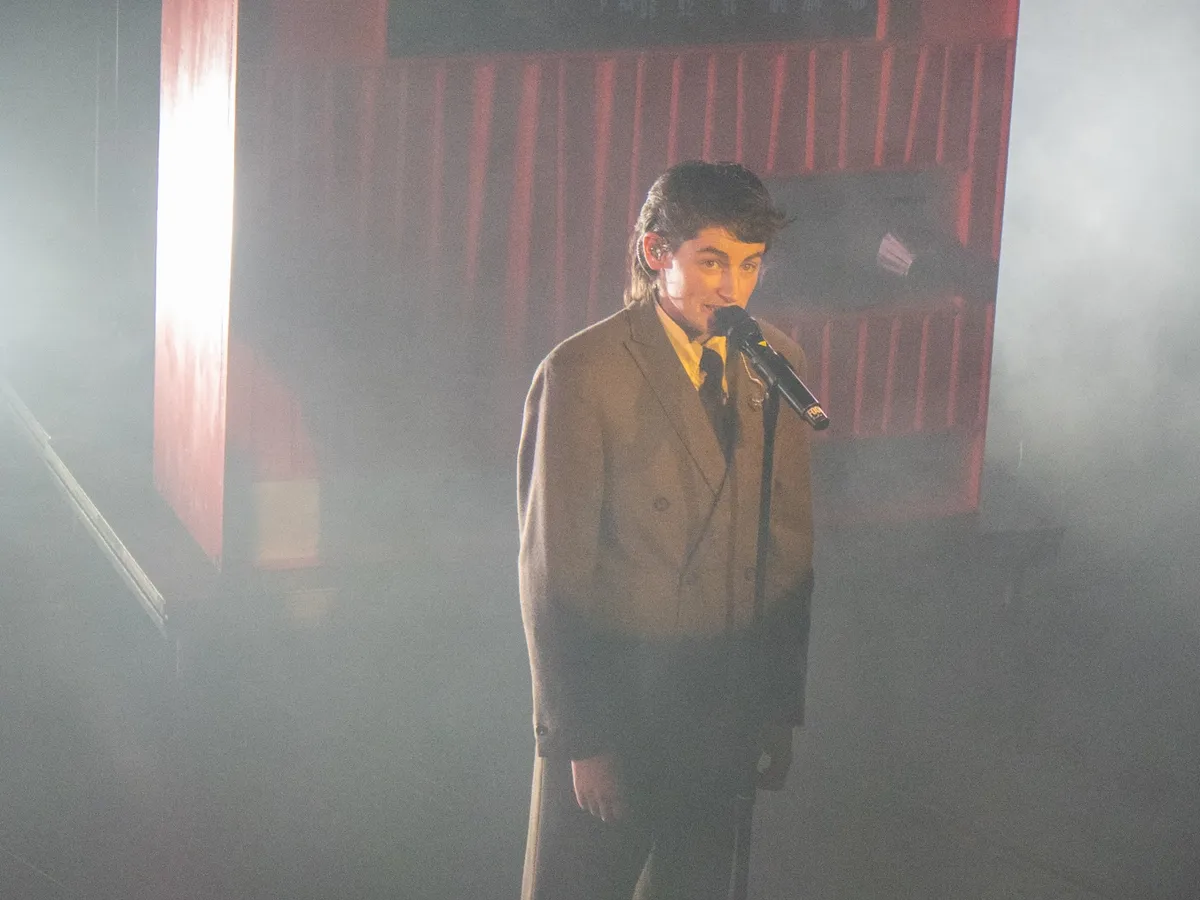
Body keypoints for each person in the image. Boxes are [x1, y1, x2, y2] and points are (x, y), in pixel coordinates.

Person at [518, 161, 815, 900]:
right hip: (621, 713)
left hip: (722, 713)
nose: (732, 286)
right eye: (712, 261)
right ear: (658, 253)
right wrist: (583, 740)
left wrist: (777, 707)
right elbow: (555, 573)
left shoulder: (775, 365)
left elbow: (786, 554)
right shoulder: (584, 371)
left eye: (750, 265)